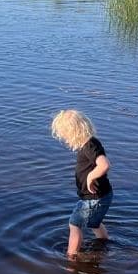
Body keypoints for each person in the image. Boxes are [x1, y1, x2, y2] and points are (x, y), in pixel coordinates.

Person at [50, 110, 112, 259]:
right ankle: (104, 243)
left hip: (93, 198)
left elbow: (104, 165)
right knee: (94, 224)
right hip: (101, 196)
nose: (65, 139)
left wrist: (90, 176)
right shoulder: (89, 144)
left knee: (74, 224)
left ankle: (71, 256)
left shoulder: (90, 146)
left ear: (73, 132)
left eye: (65, 135)